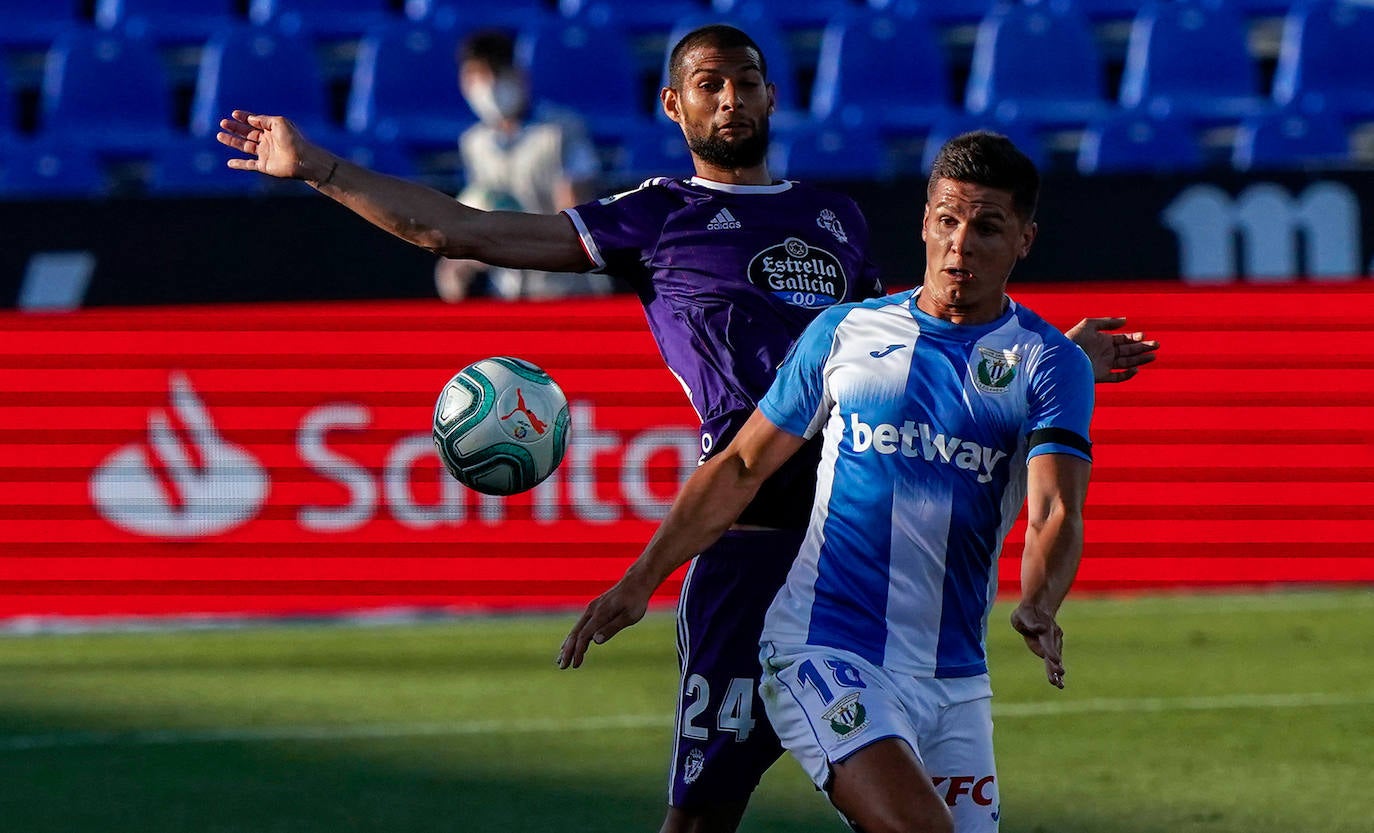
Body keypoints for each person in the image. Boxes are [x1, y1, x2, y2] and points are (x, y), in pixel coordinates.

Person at [215, 24, 1156, 833]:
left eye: (745, 81)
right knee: (704, 812)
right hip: (748, 543)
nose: (730, 98)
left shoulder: (833, 217)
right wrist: (321, 169)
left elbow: (908, 343)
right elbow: (460, 232)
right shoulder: (658, 216)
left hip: (867, 558)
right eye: (709, 84)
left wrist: (1041, 356)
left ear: (773, 95)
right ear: (674, 105)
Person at [559, 130, 1089, 833]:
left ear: (1025, 239)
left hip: (954, 676)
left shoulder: (1049, 363)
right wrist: (640, 579)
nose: (960, 244)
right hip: (824, 648)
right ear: (925, 221)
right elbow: (741, 465)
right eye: (947, 220)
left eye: (987, 227)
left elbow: (1054, 508)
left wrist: (1040, 601)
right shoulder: (847, 333)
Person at [435, 29, 611, 301]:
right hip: (507, 294)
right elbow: (480, 205)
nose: (487, 86)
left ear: (518, 75)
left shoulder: (561, 130)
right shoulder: (473, 143)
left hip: (565, 291)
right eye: (475, 77)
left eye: (495, 73)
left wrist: (515, 239)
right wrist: (461, 259)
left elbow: (577, 215)